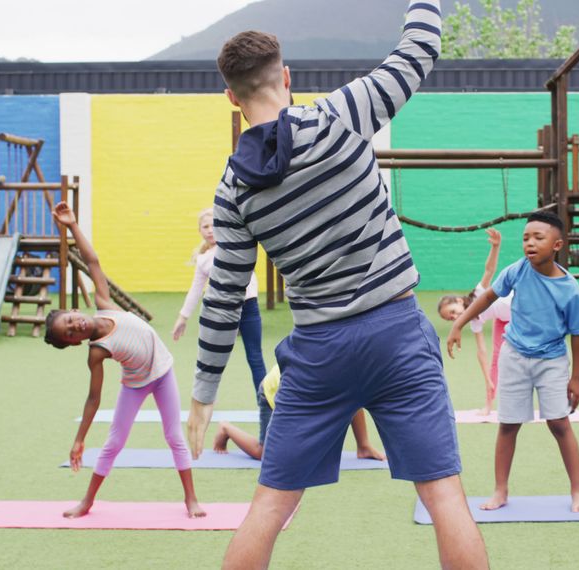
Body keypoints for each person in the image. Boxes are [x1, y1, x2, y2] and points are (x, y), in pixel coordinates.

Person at [187, 1, 489, 567]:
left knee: (269, 509)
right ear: (287, 77)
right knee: (444, 496)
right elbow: (419, 49)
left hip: (318, 353)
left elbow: (224, 296)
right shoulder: (341, 114)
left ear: (231, 97)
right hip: (397, 333)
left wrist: (204, 395)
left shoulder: (232, 192)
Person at [44, 201, 205, 519]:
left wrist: (73, 225)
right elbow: (93, 398)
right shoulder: (97, 352)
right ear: (75, 343)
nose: (75, 326)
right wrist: (79, 440)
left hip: (162, 372)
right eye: (70, 333)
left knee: (174, 436)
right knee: (114, 442)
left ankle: (191, 500)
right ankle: (87, 502)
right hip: (135, 384)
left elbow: (92, 260)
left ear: (76, 311)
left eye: (71, 320)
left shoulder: (104, 303)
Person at [446, 212, 579, 513]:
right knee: (508, 425)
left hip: (551, 361)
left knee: (559, 424)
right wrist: (459, 322)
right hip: (514, 355)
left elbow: (578, 334)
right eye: (526, 238)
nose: (530, 243)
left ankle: (578, 490)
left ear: (557, 245)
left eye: (539, 238)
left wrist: (576, 378)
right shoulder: (518, 270)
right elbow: (487, 297)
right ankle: (500, 490)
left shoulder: (569, 288)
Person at [173, 207, 267, 419]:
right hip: (221, 312)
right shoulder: (203, 259)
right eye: (205, 226)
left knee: (255, 356)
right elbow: (196, 289)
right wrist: (183, 317)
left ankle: (265, 404)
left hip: (248, 306)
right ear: (200, 231)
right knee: (213, 361)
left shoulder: (234, 245)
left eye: (214, 225)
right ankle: (206, 404)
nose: (210, 230)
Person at [213, 365, 386, 461]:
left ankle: (363, 447)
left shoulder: (342, 366)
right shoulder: (313, 373)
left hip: (296, 392)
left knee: (352, 393)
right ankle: (226, 428)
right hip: (272, 395)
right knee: (264, 454)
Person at [437, 228, 511, 415]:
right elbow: (482, 351)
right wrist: (487, 378)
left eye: (453, 312)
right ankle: (489, 405)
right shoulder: (473, 323)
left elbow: (489, 270)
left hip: (519, 311)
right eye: (450, 318)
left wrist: (495, 246)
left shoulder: (478, 294)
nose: (454, 318)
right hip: (502, 319)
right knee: (496, 359)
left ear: (460, 301)